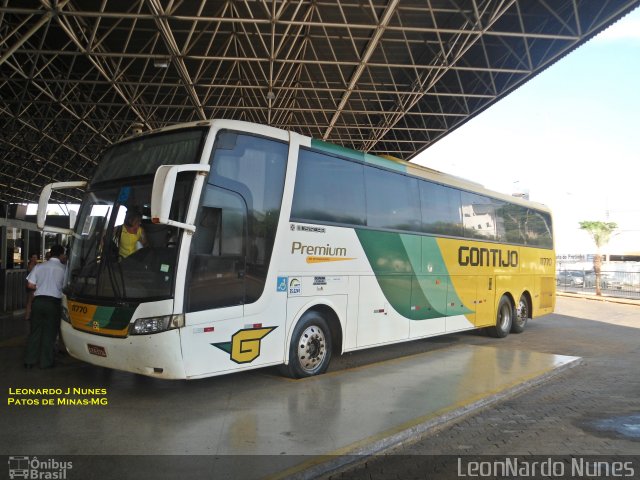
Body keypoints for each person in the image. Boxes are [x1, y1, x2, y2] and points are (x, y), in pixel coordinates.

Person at [24, 245, 66, 369]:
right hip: (53, 304)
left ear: (51, 253)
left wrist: (41, 287)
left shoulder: (39, 266)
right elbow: (66, 288)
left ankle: (29, 361)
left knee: (35, 331)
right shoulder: (64, 269)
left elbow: (30, 285)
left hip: (38, 302)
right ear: (61, 255)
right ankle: (46, 363)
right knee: (50, 333)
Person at [24, 254, 39, 321]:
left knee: (30, 301)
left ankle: (28, 316)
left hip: (31, 285)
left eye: (36, 257)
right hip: (32, 285)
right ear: (30, 258)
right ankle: (28, 316)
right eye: (33, 257)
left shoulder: (35, 265)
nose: (35, 258)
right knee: (31, 301)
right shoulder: (32, 265)